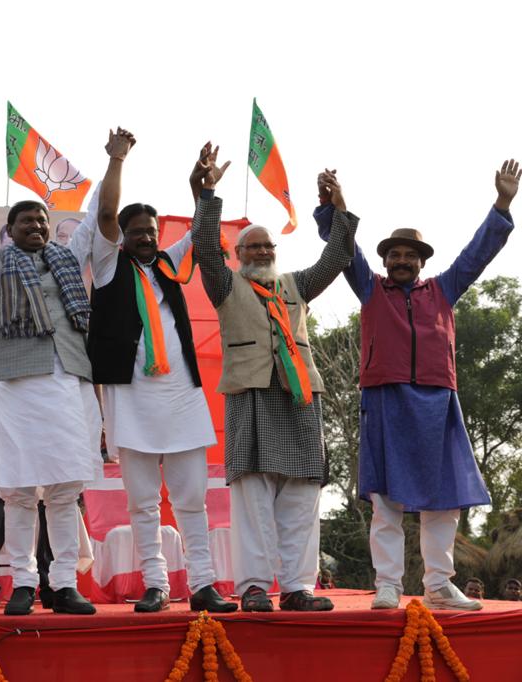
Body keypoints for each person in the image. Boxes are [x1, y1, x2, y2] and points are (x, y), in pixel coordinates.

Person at [315, 161, 520, 611]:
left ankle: (439, 584)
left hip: (437, 401)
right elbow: (345, 251)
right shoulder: (370, 289)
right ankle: (387, 583)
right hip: (384, 398)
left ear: (422, 262)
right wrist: (335, 207)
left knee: (443, 500)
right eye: (394, 254)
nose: (401, 260)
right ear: (385, 261)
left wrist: (503, 201)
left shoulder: (444, 291)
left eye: (410, 255)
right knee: (385, 499)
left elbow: (476, 255)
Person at [191, 142, 357, 612]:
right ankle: (255, 588)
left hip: (300, 396)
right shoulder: (226, 285)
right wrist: (207, 197)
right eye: (254, 245)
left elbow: (339, 256)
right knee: (253, 497)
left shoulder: (295, 285)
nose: (263, 250)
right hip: (251, 395)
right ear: (239, 253)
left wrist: (336, 205)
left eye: (269, 245)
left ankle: (300, 588)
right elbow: (205, 249)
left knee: (303, 494)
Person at [0, 145, 102, 616]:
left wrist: (115, 163)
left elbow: (93, 222)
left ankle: (66, 583)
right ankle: (25, 585)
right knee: (17, 491)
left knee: (65, 493)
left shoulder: (69, 262)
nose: (35, 225)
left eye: (42, 220)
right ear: (9, 232)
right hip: (13, 389)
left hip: (70, 386)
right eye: (24, 221)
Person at [87, 129, 233, 614]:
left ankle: (204, 585)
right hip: (131, 400)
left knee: (192, 501)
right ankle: (155, 584)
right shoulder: (108, 266)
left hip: (181, 396)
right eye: (137, 233)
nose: (146, 238)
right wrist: (117, 160)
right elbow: (107, 213)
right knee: (143, 503)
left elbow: (201, 230)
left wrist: (204, 191)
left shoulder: (170, 264)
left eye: (151, 231)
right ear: (122, 240)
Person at [0, 302, 55, 610]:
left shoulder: (57, 293)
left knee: (50, 494)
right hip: (4, 408)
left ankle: (49, 581)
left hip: (49, 406)